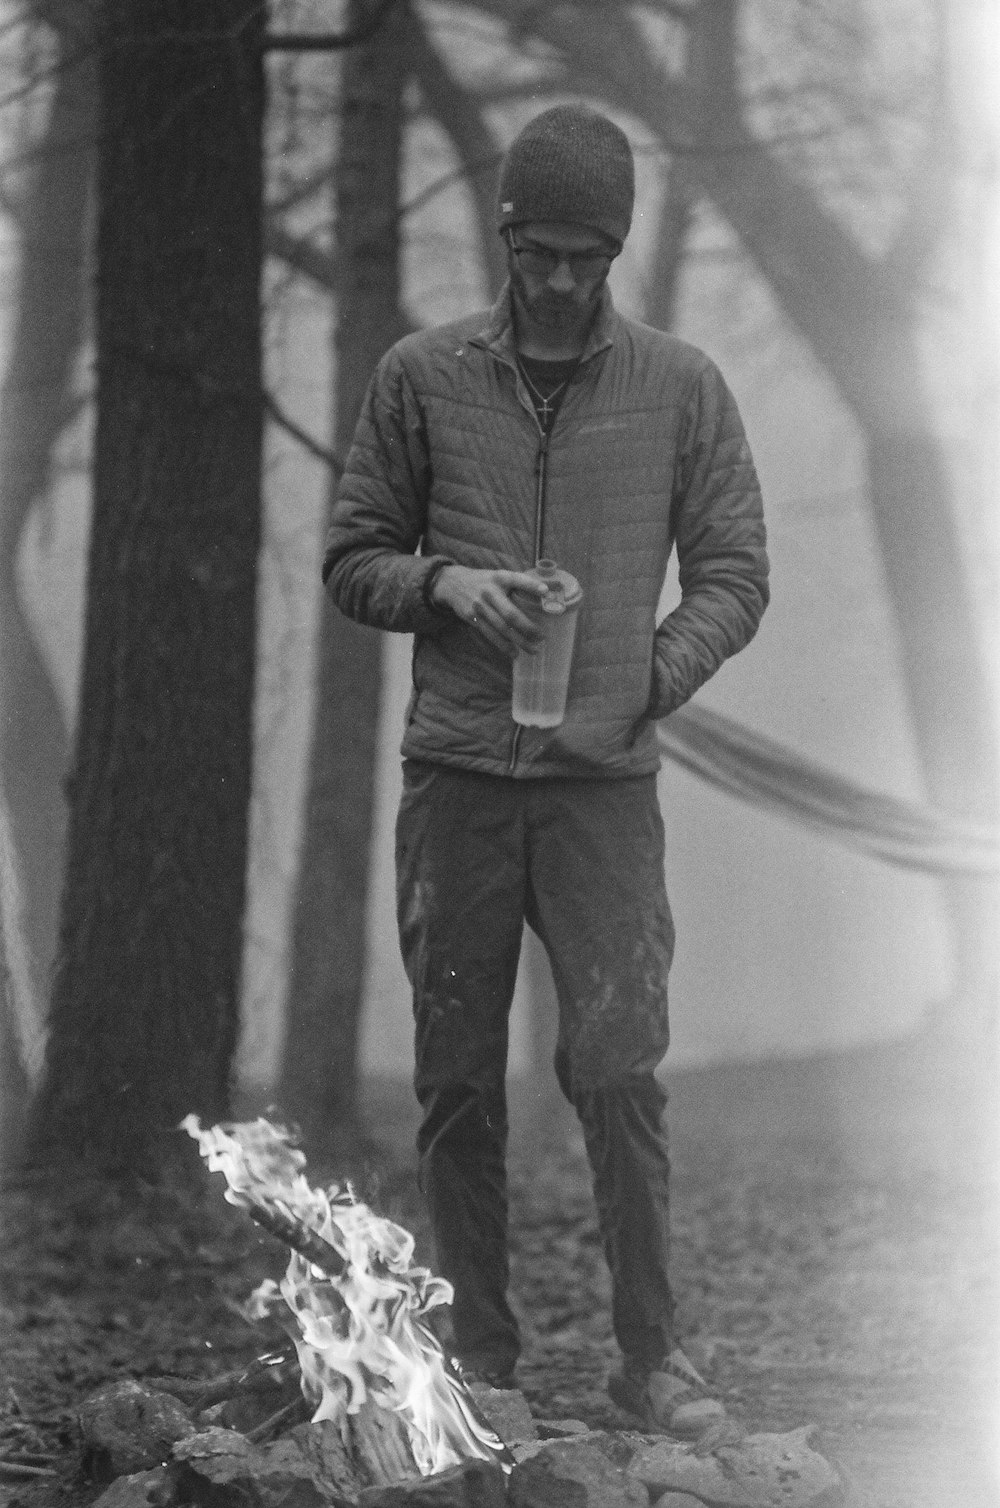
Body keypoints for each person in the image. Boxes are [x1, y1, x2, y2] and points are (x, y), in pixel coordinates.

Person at [323, 104, 769, 1437]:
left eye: (586, 254)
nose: (562, 277)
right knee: (456, 1080)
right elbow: (351, 558)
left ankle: (654, 1359)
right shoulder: (421, 377)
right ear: (507, 238)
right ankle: (485, 1365)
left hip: (602, 794)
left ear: (616, 248)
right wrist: (447, 583)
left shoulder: (681, 388)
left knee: (621, 1069)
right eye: (540, 251)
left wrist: (647, 676)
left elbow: (737, 574)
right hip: (456, 782)